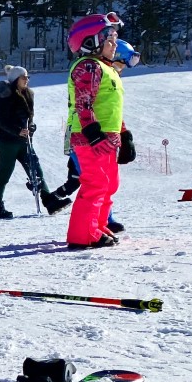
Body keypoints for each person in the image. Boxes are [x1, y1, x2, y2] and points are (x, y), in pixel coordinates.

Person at [64, 13, 127, 250]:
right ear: (91, 42)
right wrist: (93, 132)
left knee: (109, 184)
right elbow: (84, 101)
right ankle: (82, 235)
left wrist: (124, 134)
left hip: (107, 136)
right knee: (96, 184)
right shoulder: (88, 66)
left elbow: (111, 107)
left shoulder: (106, 68)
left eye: (115, 39)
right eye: (109, 40)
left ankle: (96, 226)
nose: (115, 45)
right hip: (90, 137)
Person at [0, 66, 71, 219]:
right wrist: (17, 130)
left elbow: (27, 118)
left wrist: (31, 127)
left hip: (24, 141)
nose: (27, 80)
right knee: (4, 175)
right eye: (24, 77)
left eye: (27, 77)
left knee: (36, 170)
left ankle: (49, 202)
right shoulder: (5, 96)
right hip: (7, 142)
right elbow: (2, 121)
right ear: (15, 79)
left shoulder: (27, 94)